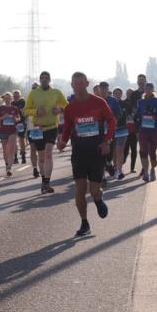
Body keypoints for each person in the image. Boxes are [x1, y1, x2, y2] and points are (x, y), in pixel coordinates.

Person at [56, 72, 115, 237]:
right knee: (80, 188)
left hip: (96, 151)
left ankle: (97, 199)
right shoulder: (70, 107)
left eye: (82, 83)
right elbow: (67, 127)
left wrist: (107, 141)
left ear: (87, 83)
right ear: (72, 85)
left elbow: (111, 121)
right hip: (79, 152)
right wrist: (62, 141)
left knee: (95, 189)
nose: (79, 86)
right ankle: (84, 223)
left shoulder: (99, 102)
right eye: (76, 83)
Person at [24, 71, 68, 194]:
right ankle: (43, 180)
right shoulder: (33, 93)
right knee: (41, 156)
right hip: (38, 129)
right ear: (39, 80)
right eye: (41, 78)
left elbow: (67, 106)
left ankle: (47, 182)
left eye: (46, 78)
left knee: (49, 153)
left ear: (49, 79)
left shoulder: (56, 92)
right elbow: (26, 111)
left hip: (52, 127)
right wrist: (36, 112)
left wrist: (60, 109)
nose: (44, 80)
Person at [134, 83, 157, 182]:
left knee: (152, 153)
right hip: (143, 130)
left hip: (154, 130)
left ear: (152, 89)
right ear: (144, 89)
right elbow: (138, 113)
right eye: (146, 88)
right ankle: (146, 173)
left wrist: (154, 111)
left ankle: (152, 170)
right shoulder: (140, 101)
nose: (147, 90)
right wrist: (137, 116)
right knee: (143, 151)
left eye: (149, 88)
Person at [98, 81, 124, 179]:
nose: (104, 91)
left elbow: (120, 113)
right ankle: (102, 178)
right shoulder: (95, 100)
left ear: (108, 89)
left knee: (110, 151)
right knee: (100, 151)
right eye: (102, 89)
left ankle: (109, 163)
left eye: (105, 89)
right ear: (99, 89)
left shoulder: (113, 100)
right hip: (98, 130)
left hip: (110, 129)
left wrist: (114, 119)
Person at [0, 92, 22, 176]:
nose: (7, 99)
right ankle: (7, 165)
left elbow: (18, 118)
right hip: (3, 131)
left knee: (11, 149)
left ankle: (9, 168)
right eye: (6, 98)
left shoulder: (15, 108)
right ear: (3, 99)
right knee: (5, 150)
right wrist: (3, 117)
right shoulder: (0, 108)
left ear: (11, 99)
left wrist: (14, 118)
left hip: (12, 131)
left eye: (9, 98)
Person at [124, 75, 148, 172]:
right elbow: (131, 107)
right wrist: (134, 113)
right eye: (139, 80)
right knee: (140, 146)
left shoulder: (149, 93)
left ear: (145, 81)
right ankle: (144, 167)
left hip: (148, 123)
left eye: (142, 80)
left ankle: (145, 166)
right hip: (137, 123)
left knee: (145, 146)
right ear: (137, 82)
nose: (140, 82)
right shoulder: (134, 94)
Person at [111, 88, 130, 180]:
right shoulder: (108, 103)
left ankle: (119, 170)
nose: (117, 95)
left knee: (120, 150)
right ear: (113, 94)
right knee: (113, 151)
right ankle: (114, 167)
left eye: (119, 93)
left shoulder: (125, 104)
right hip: (111, 130)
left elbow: (130, 115)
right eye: (116, 93)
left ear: (121, 95)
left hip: (122, 130)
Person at [11, 90, 28, 166]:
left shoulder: (22, 101)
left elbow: (24, 112)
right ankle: (15, 157)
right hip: (13, 123)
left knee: (21, 139)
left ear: (19, 96)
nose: (15, 97)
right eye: (14, 96)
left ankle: (23, 155)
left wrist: (20, 110)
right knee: (14, 140)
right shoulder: (12, 103)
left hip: (21, 123)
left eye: (17, 95)